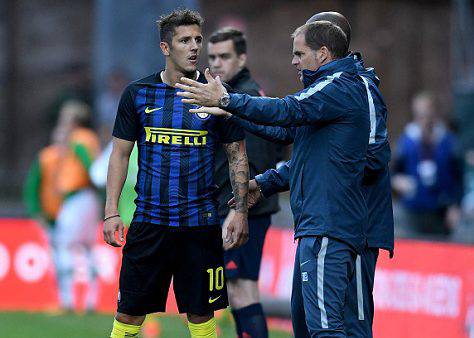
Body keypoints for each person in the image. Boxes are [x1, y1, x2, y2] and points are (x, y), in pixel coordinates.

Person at [177, 21, 371, 338]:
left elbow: (287, 111)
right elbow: (289, 135)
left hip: (328, 224)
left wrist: (227, 101)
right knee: (307, 322)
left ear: (322, 54)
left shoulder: (337, 85)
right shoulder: (326, 93)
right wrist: (233, 115)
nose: (293, 61)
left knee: (323, 326)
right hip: (315, 223)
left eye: (299, 53)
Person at [103, 9, 249, 338]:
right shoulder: (138, 94)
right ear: (166, 48)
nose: (195, 46)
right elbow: (120, 154)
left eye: (198, 39)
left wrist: (240, 211)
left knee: (201, 315)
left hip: (200, 225)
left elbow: (237, 154)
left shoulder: (217, 96)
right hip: (149, 223)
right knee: (128, 314)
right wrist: (111, 211)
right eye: (185, 40)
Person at [208, 27, 281, 338]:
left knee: (242, 289)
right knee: (237, 290)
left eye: (224, 56)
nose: (217, 64)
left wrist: (239, 210)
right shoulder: (228, 94)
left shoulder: (245, 97)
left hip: (245, 209)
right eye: (212, 57)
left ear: (242, 57)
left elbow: (259, 160)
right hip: (235, 207)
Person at [392, 91, 462, 238]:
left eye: (427, 114)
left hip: (440, 211)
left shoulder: (447, 141)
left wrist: (455, 204)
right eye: (420, 114)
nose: (424, 119)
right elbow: (393, 173)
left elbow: (458, 176)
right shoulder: (407, 141)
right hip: (412, 211)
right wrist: (398, 181)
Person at [54, 100, 102, 311]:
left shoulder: (78, 139)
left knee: (64, 245)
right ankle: (92, 300)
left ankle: (67, 301)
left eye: (65, 117)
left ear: (73, 120)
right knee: (88, 248)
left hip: (78, 198)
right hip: (88, 199)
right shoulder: (90, 138)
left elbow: (89, 166)